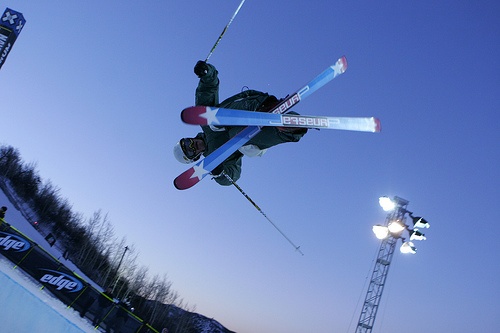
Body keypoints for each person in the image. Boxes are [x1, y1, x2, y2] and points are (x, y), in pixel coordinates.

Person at [173, 61, 307, 185]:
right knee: (245, 145)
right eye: (190, 151)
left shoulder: (205, 122)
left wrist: (207, 73)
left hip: (252, 105)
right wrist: (220, 174)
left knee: (212, 119)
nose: (192, 145)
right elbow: (233, 175)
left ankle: (264, 109)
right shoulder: (215, 159)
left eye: (187, 142)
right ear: (195, 157)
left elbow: (207, 91)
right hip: (254, 135)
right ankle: (289, 128)